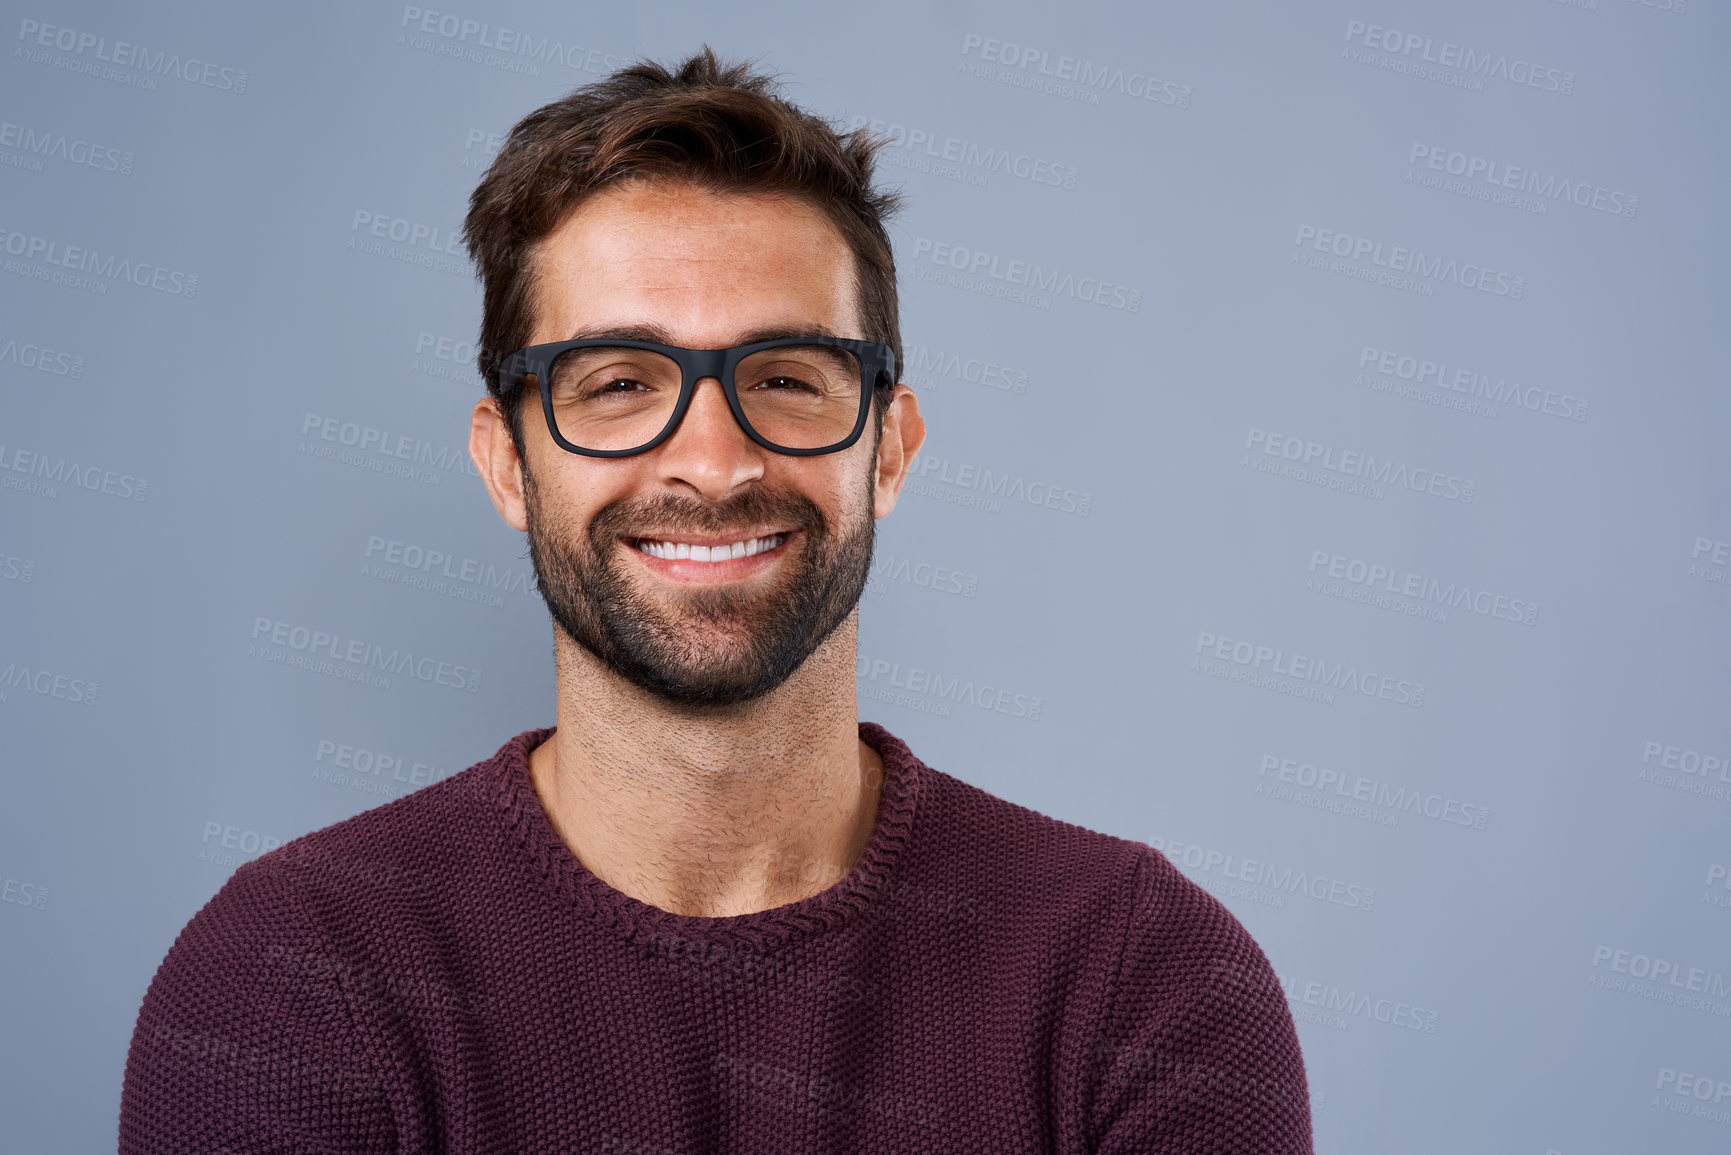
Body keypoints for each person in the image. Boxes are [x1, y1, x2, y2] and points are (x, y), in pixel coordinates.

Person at [119, 48, 1312, 1153]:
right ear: (504, 463)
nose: (715, 463)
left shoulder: (1140, 978)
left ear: (889, 451)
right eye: (620, 383)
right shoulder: (292, 974)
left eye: (787, 379)